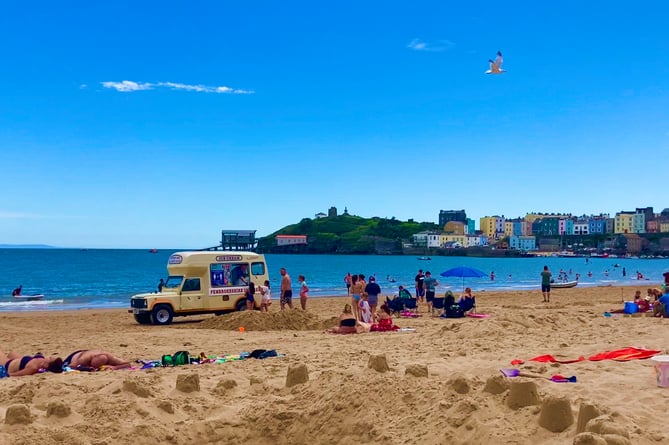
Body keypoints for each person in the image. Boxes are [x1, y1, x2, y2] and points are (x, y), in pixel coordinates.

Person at [63, 349, 130, 371]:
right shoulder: (85, 358)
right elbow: (69, 367)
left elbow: (127, 364)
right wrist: (86, 368)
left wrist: (115, 367)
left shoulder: (110, 358)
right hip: (75, 355)